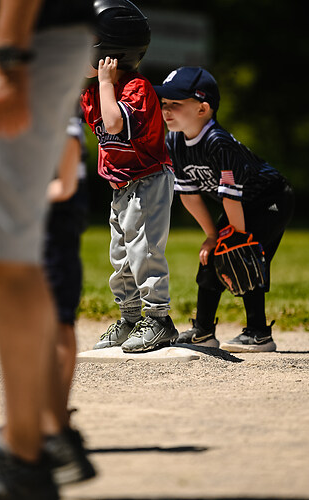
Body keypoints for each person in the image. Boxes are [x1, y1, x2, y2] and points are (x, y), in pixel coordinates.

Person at [0, 1, 95, 497]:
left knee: (4, 254)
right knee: (5, 250)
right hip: (25, 39)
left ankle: (23, 453)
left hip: (24, 39)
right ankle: (46, 435)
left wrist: (8, 54)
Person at [154, 66, 294, 353]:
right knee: (212, 256)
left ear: (203, 108)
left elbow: (231, 197)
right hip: (240, 204)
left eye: (175, 104)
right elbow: (189, 195)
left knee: (244, 255)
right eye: (164, 104)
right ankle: (203, 331)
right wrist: (211, 236)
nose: (166, 110)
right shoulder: (174, 140)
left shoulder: (218, 143)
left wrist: (237, 238)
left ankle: (258, 334)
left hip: (272, 199)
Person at [81, 0, 178, 353]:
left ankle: (159, 320)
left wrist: (106, 83)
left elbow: (114, 124)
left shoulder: (136, 89)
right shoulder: (92, 93)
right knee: (120, 256)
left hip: (149, 180)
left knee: (145, 252)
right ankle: (132, 316)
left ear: (110, 52)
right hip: (122, 187)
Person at [44, 113, 89, 421]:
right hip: (29, 225)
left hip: (53, 225)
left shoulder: (53, 101)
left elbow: (65, 185)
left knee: (58, 318)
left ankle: (56, 417)